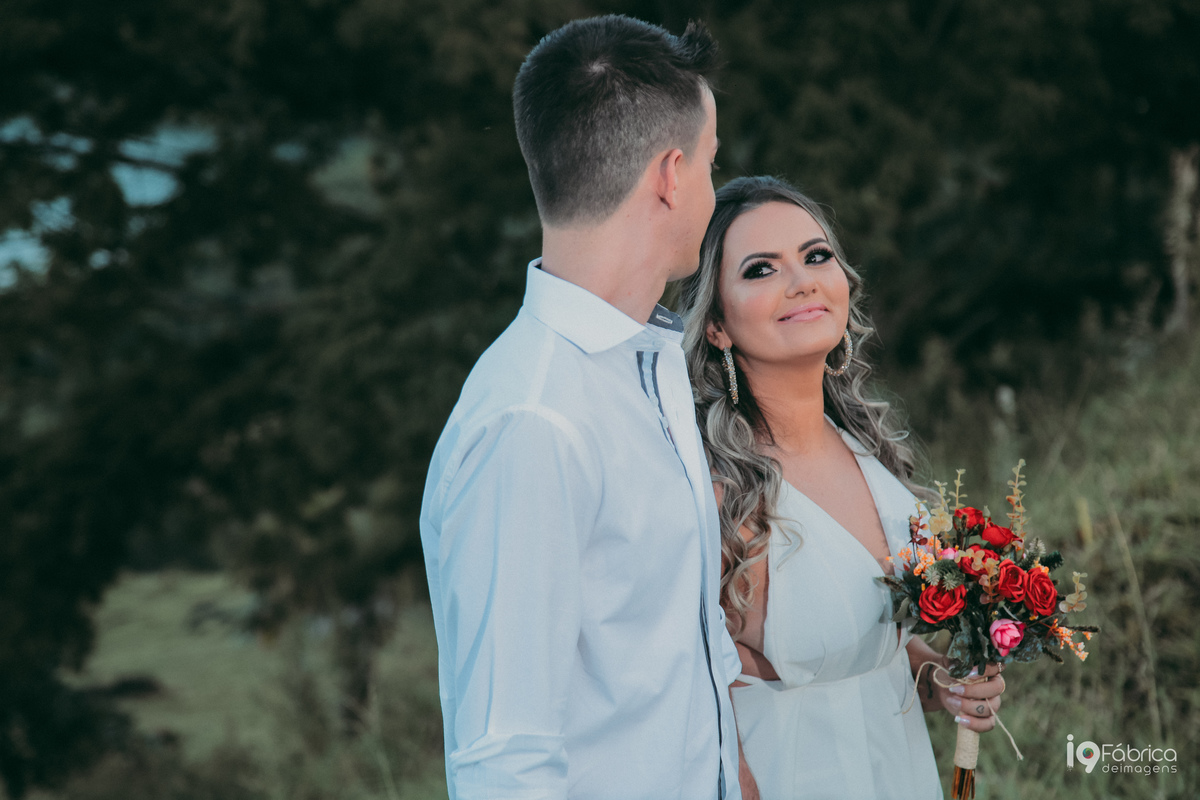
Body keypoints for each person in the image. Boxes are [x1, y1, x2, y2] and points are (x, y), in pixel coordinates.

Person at [419, 15, 747, 800]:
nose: (712, 186)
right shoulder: (531, 423)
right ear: (670, 176)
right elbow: (504, 757)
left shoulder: (652, 363)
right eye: (710, 162)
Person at [677, 176, 1008, 799]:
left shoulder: (865, 447)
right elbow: (698, 703)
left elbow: (862, 656)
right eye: (760, 269)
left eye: (815, 255)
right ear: (717, 325)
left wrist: (944, 683)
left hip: (899, 774)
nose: (801, 280)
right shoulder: (721, 489)